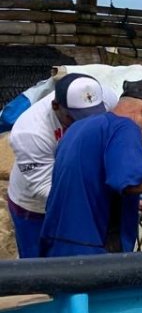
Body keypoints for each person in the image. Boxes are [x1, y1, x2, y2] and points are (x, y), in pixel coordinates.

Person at [38, 78, 142, 257]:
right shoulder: (125, 127)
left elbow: (86, 182)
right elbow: (128, 180)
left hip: (55, 242)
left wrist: (129, 204)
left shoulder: (78, 128)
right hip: (90, 249)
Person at [6, 74, 117, 258]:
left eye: (93, 117)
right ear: (56, 106)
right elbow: (44, 187)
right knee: (38, 267)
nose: (85, 125)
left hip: (80, 191)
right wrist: (95, 201)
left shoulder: (103, 97)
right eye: (75, 118)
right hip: (35, 207)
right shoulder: (30, 132)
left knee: (79, 261)